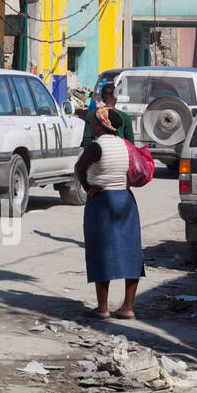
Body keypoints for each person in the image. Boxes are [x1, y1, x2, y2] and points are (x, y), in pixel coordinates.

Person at [74, 107, 144, 319]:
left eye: (93, 122)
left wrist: (87, 187)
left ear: (102, 125)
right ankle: (128, 307)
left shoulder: (96, 146)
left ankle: (103, 307)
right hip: (124, 199)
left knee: (101, 252)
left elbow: (79, 168)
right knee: (131, 252)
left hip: (102, 201)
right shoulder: (126, 144)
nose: (91, 125)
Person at [81, 81, 133, 146]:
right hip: (120, 152)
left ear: (102, 97)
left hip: (97, 152)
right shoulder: (125, 117)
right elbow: (131, 144)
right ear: (115, 96)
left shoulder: (92, 115)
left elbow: (87, 140)